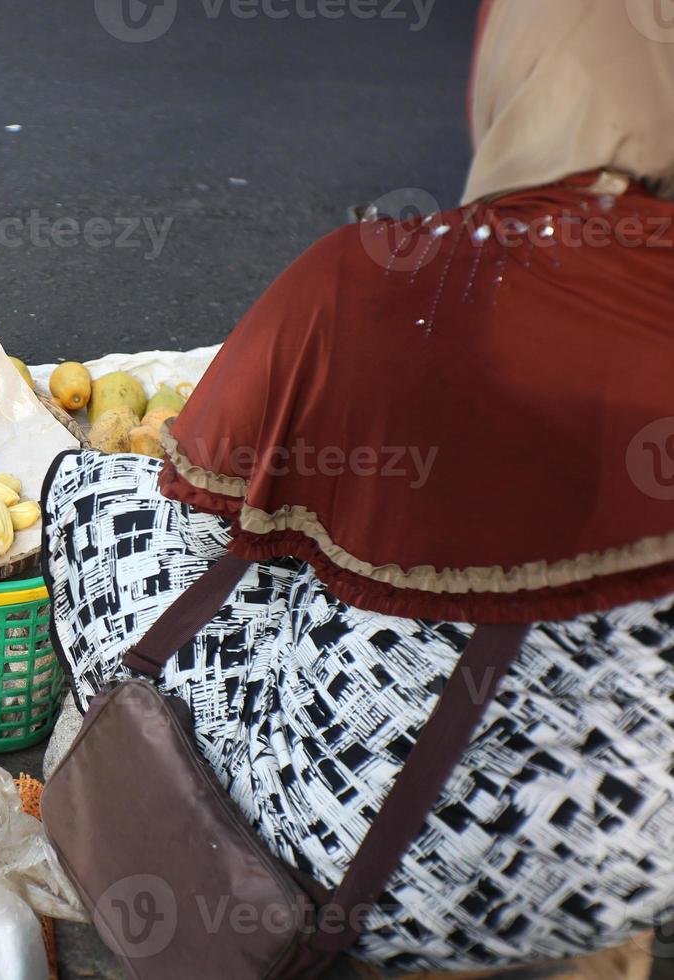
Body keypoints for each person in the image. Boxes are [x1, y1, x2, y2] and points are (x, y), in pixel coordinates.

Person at [40, 1, 674, 976]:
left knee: (92, 493)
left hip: (367, 868)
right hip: (635, 856)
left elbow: (198, 481)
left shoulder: (373, 279)